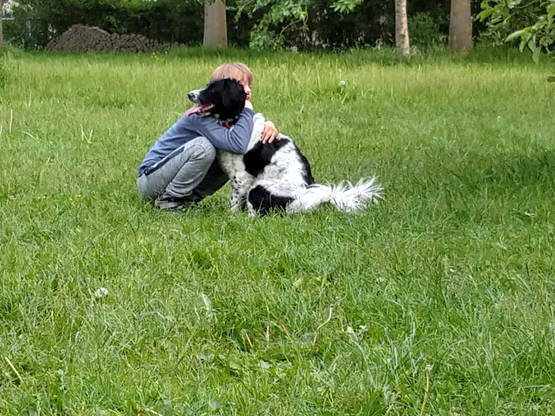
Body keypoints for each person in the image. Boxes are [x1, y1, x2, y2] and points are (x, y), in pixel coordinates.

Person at [137, 63, 279, 211]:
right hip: (149, 180)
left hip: (165, 178)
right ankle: (169, 202)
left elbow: (247, 135)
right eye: (241, 85)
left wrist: (266, 125)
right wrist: (248, 111)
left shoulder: (228, 114)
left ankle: (186, 201)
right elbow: (238, 144)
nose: (248, 90)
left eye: (249, 85)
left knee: (226, 154)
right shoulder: (200, 116)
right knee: (204, 147)